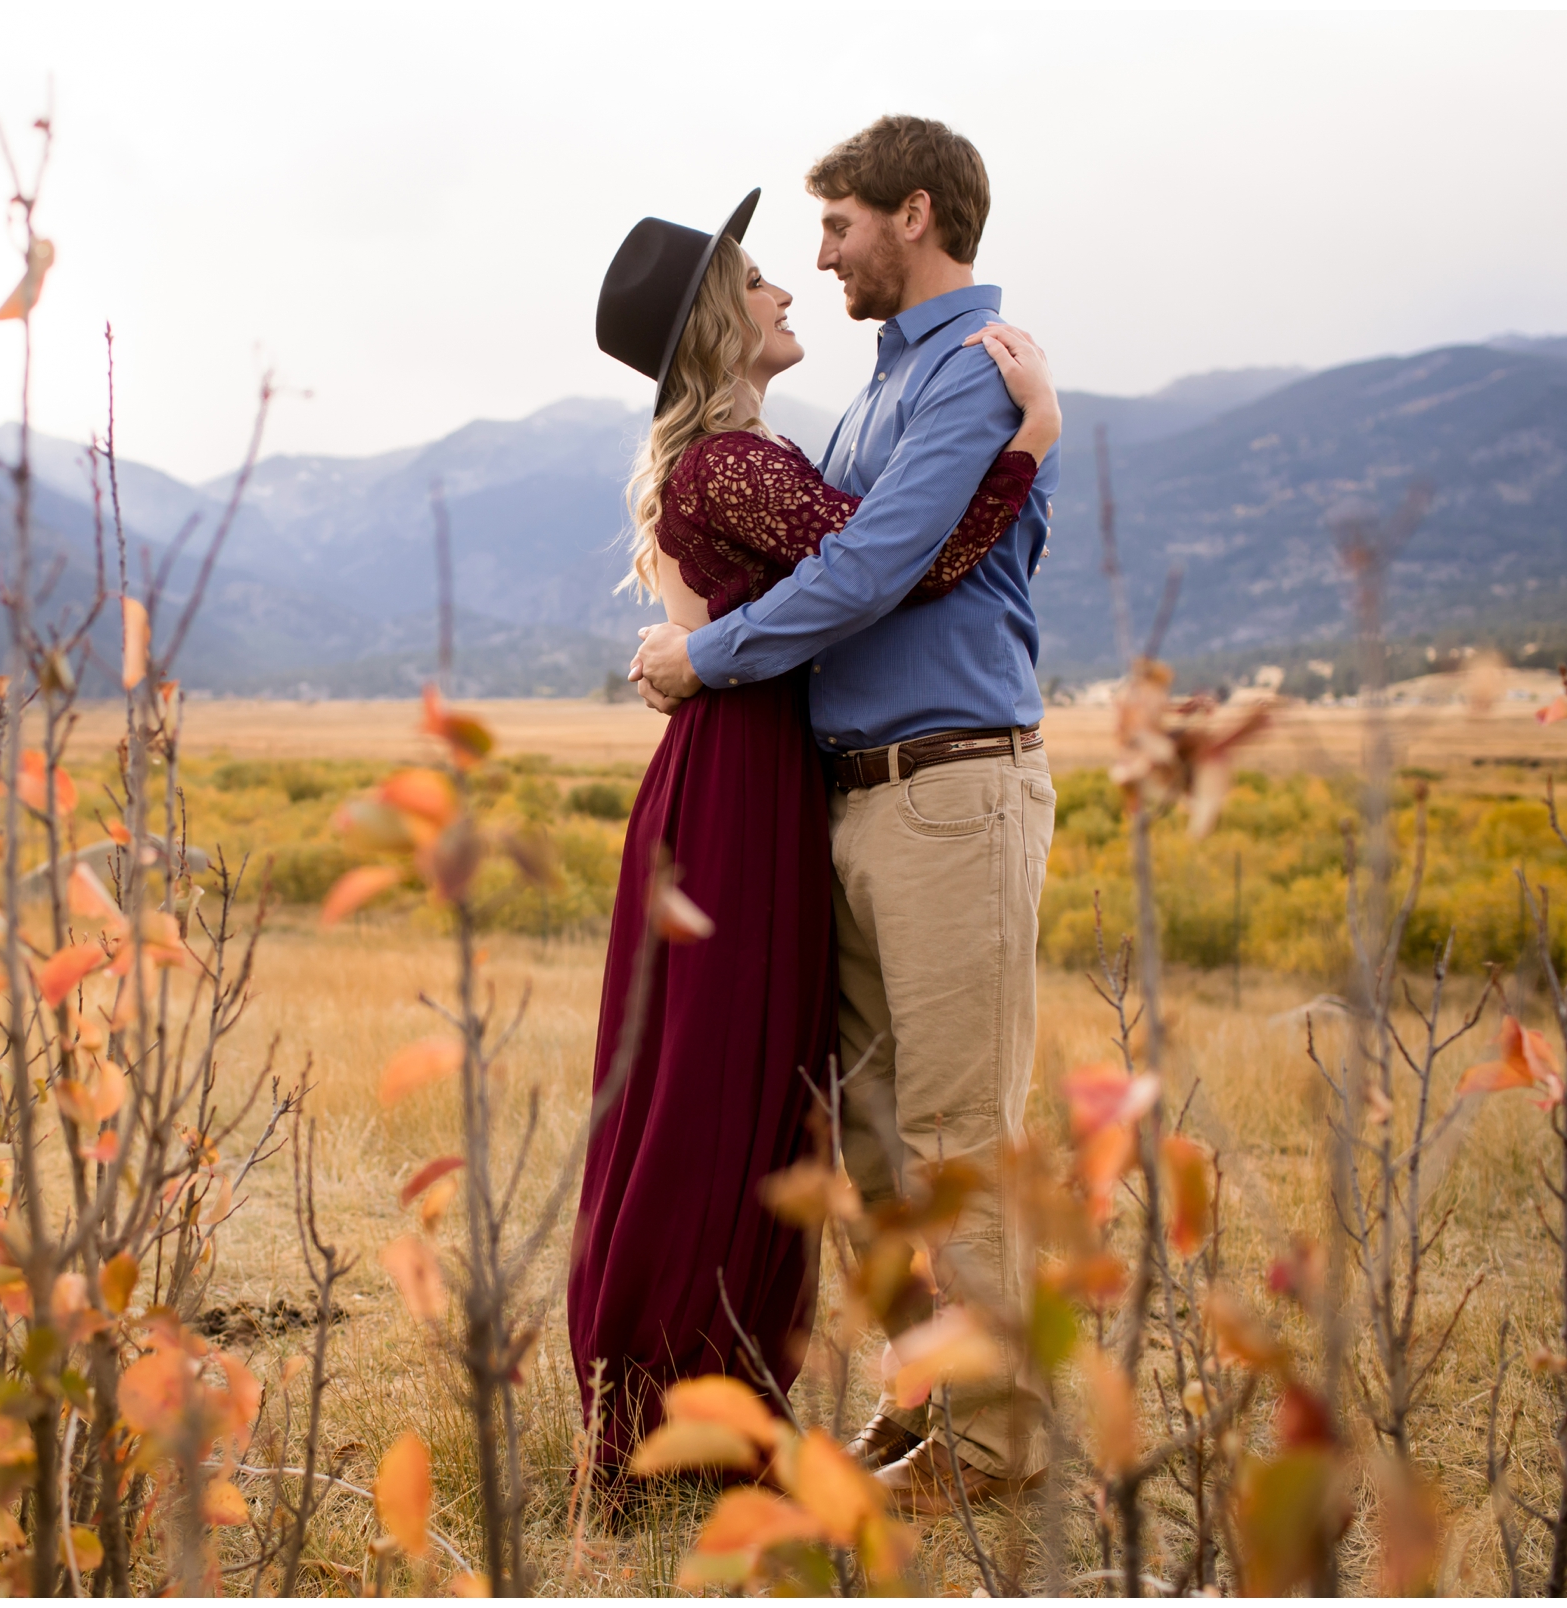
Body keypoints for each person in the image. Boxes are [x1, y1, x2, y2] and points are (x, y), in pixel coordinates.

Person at [569, 176, 1059, 1495]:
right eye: (756, 280)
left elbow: (910, 563)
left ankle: (947, 1419)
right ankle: (715, 1400)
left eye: (812, 246)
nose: (790, 282)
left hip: (798, 782)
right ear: (716, 331)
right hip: (760, 788)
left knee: (816, 1112)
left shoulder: (794, 441)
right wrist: (1029, 445)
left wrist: (1025, 452)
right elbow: (887, 566)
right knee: (778, 1107)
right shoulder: (748, 459)